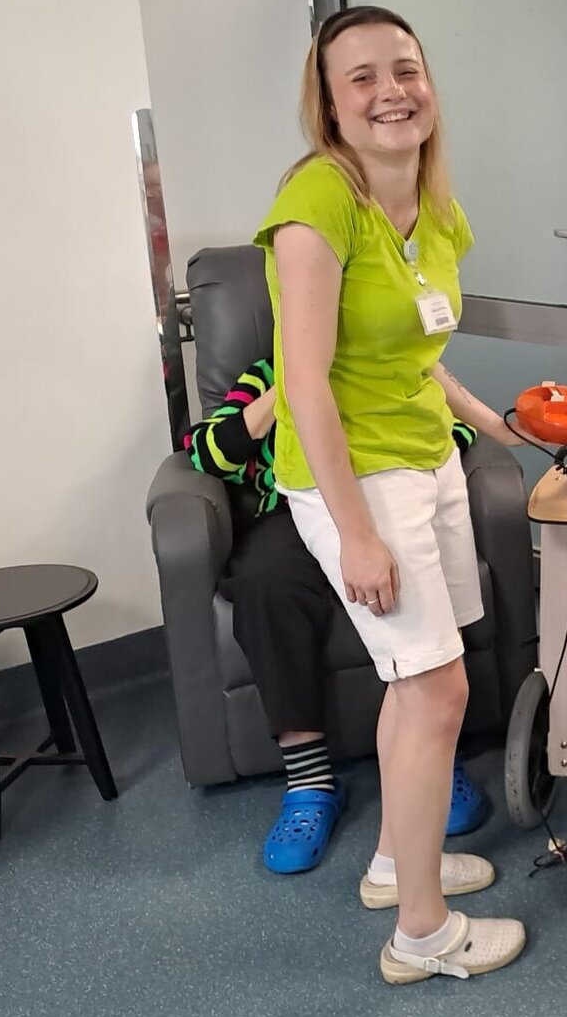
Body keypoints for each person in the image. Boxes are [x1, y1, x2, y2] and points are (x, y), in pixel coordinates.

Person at [255, 5, 529, 984]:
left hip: (425, 456)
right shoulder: (316, 204)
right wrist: (357, 534)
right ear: (330, 104)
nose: (391, 92)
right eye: (362, 77)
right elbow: (305, 383)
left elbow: (420, 351)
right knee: (436, 688)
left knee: (414, 683)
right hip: (354, 476)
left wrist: (497, 423)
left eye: (405, 69)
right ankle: (422, 933)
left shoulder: (435, 204)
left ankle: (390, 863)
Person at [182, 358, 495, 877]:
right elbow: (208, 452)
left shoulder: (388, 362)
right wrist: (291, 386)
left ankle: (435, 763)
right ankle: (309, 781)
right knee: (265, 585)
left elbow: (451, 430)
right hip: (291, 508)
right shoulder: (266, 373)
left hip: (385, 505)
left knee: (413, 580)